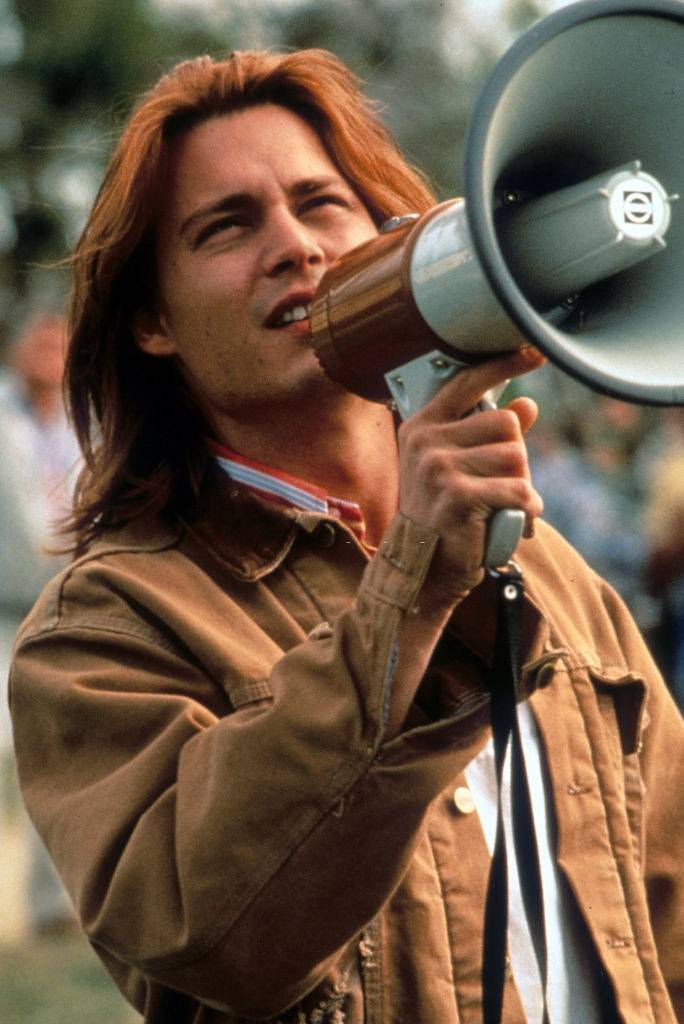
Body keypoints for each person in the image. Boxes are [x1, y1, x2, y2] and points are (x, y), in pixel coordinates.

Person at [7, 50, 683, 1024]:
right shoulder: (107, 628)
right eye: (228, 226)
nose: (295, 246)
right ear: (153, 319)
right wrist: (414, 589)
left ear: (387, 239)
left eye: (322, 204)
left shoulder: (548, 574)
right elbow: (215, 936)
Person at [0, 309, 79, 939]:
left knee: (59, 755)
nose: (48, 354)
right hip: (2, 608)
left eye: (59, 344)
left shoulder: (94, 423)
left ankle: (53, 907)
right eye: (39, 343)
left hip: (67, 610)